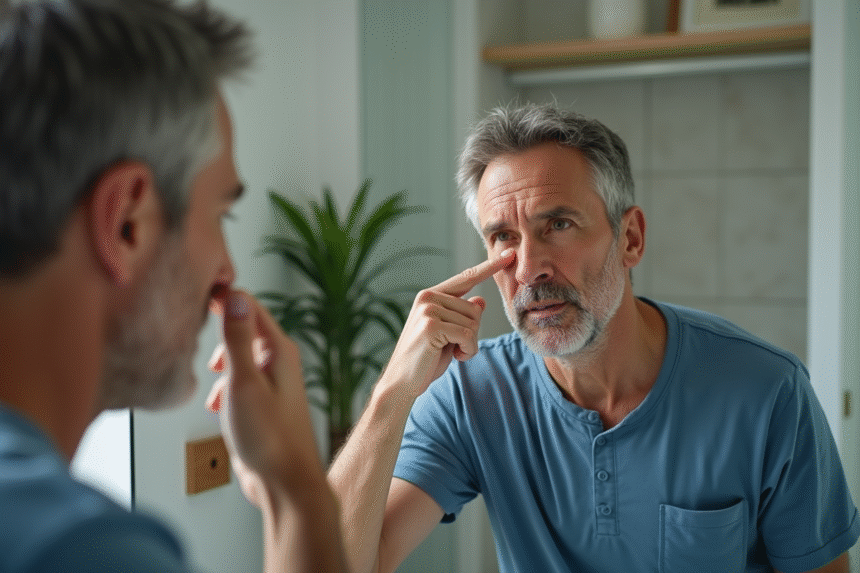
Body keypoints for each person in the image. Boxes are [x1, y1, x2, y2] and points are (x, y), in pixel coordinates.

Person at [327, 103, 860, 573]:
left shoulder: (766, 391)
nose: (530, 268)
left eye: (557, 225)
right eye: (503, 238)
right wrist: (393, 393)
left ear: (630, 238)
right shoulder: (471, 394)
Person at [0, 1, 347, 571]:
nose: (227, 272)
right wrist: (301, 495)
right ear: (126, 223)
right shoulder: (81, 550)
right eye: (220, 216)